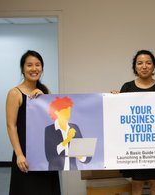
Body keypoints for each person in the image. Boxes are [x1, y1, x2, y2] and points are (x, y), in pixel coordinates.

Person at [6, 50, 61, 195]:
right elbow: (11, 126)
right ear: (23, 69)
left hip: (45, 153)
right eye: (29, 65)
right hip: (25, 155)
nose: (34, 68)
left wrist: (44, 100)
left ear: (42, 68)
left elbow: (53, 120)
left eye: (38, 65)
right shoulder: (15, 93)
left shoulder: (45, 91)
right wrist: (19, 155)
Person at [118, 50, 155, 195]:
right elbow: (120, 117)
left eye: (148, 63)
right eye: (140, 63)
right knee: (136, 185)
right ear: (135, 67)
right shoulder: (127, 88)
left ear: (154, 66)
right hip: (135, 148)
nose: (144, 66)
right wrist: (114, 100)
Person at [45, 96, 91, 170]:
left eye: (69, 110)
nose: (68, 113)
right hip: (55, 172)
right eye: (65, 110)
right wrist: (68, 139)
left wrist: (81, 156)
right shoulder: (49, 130)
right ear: (56, 112)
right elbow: (50, 157)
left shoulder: (74, 127)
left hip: (73, 171)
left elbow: (87, 158)